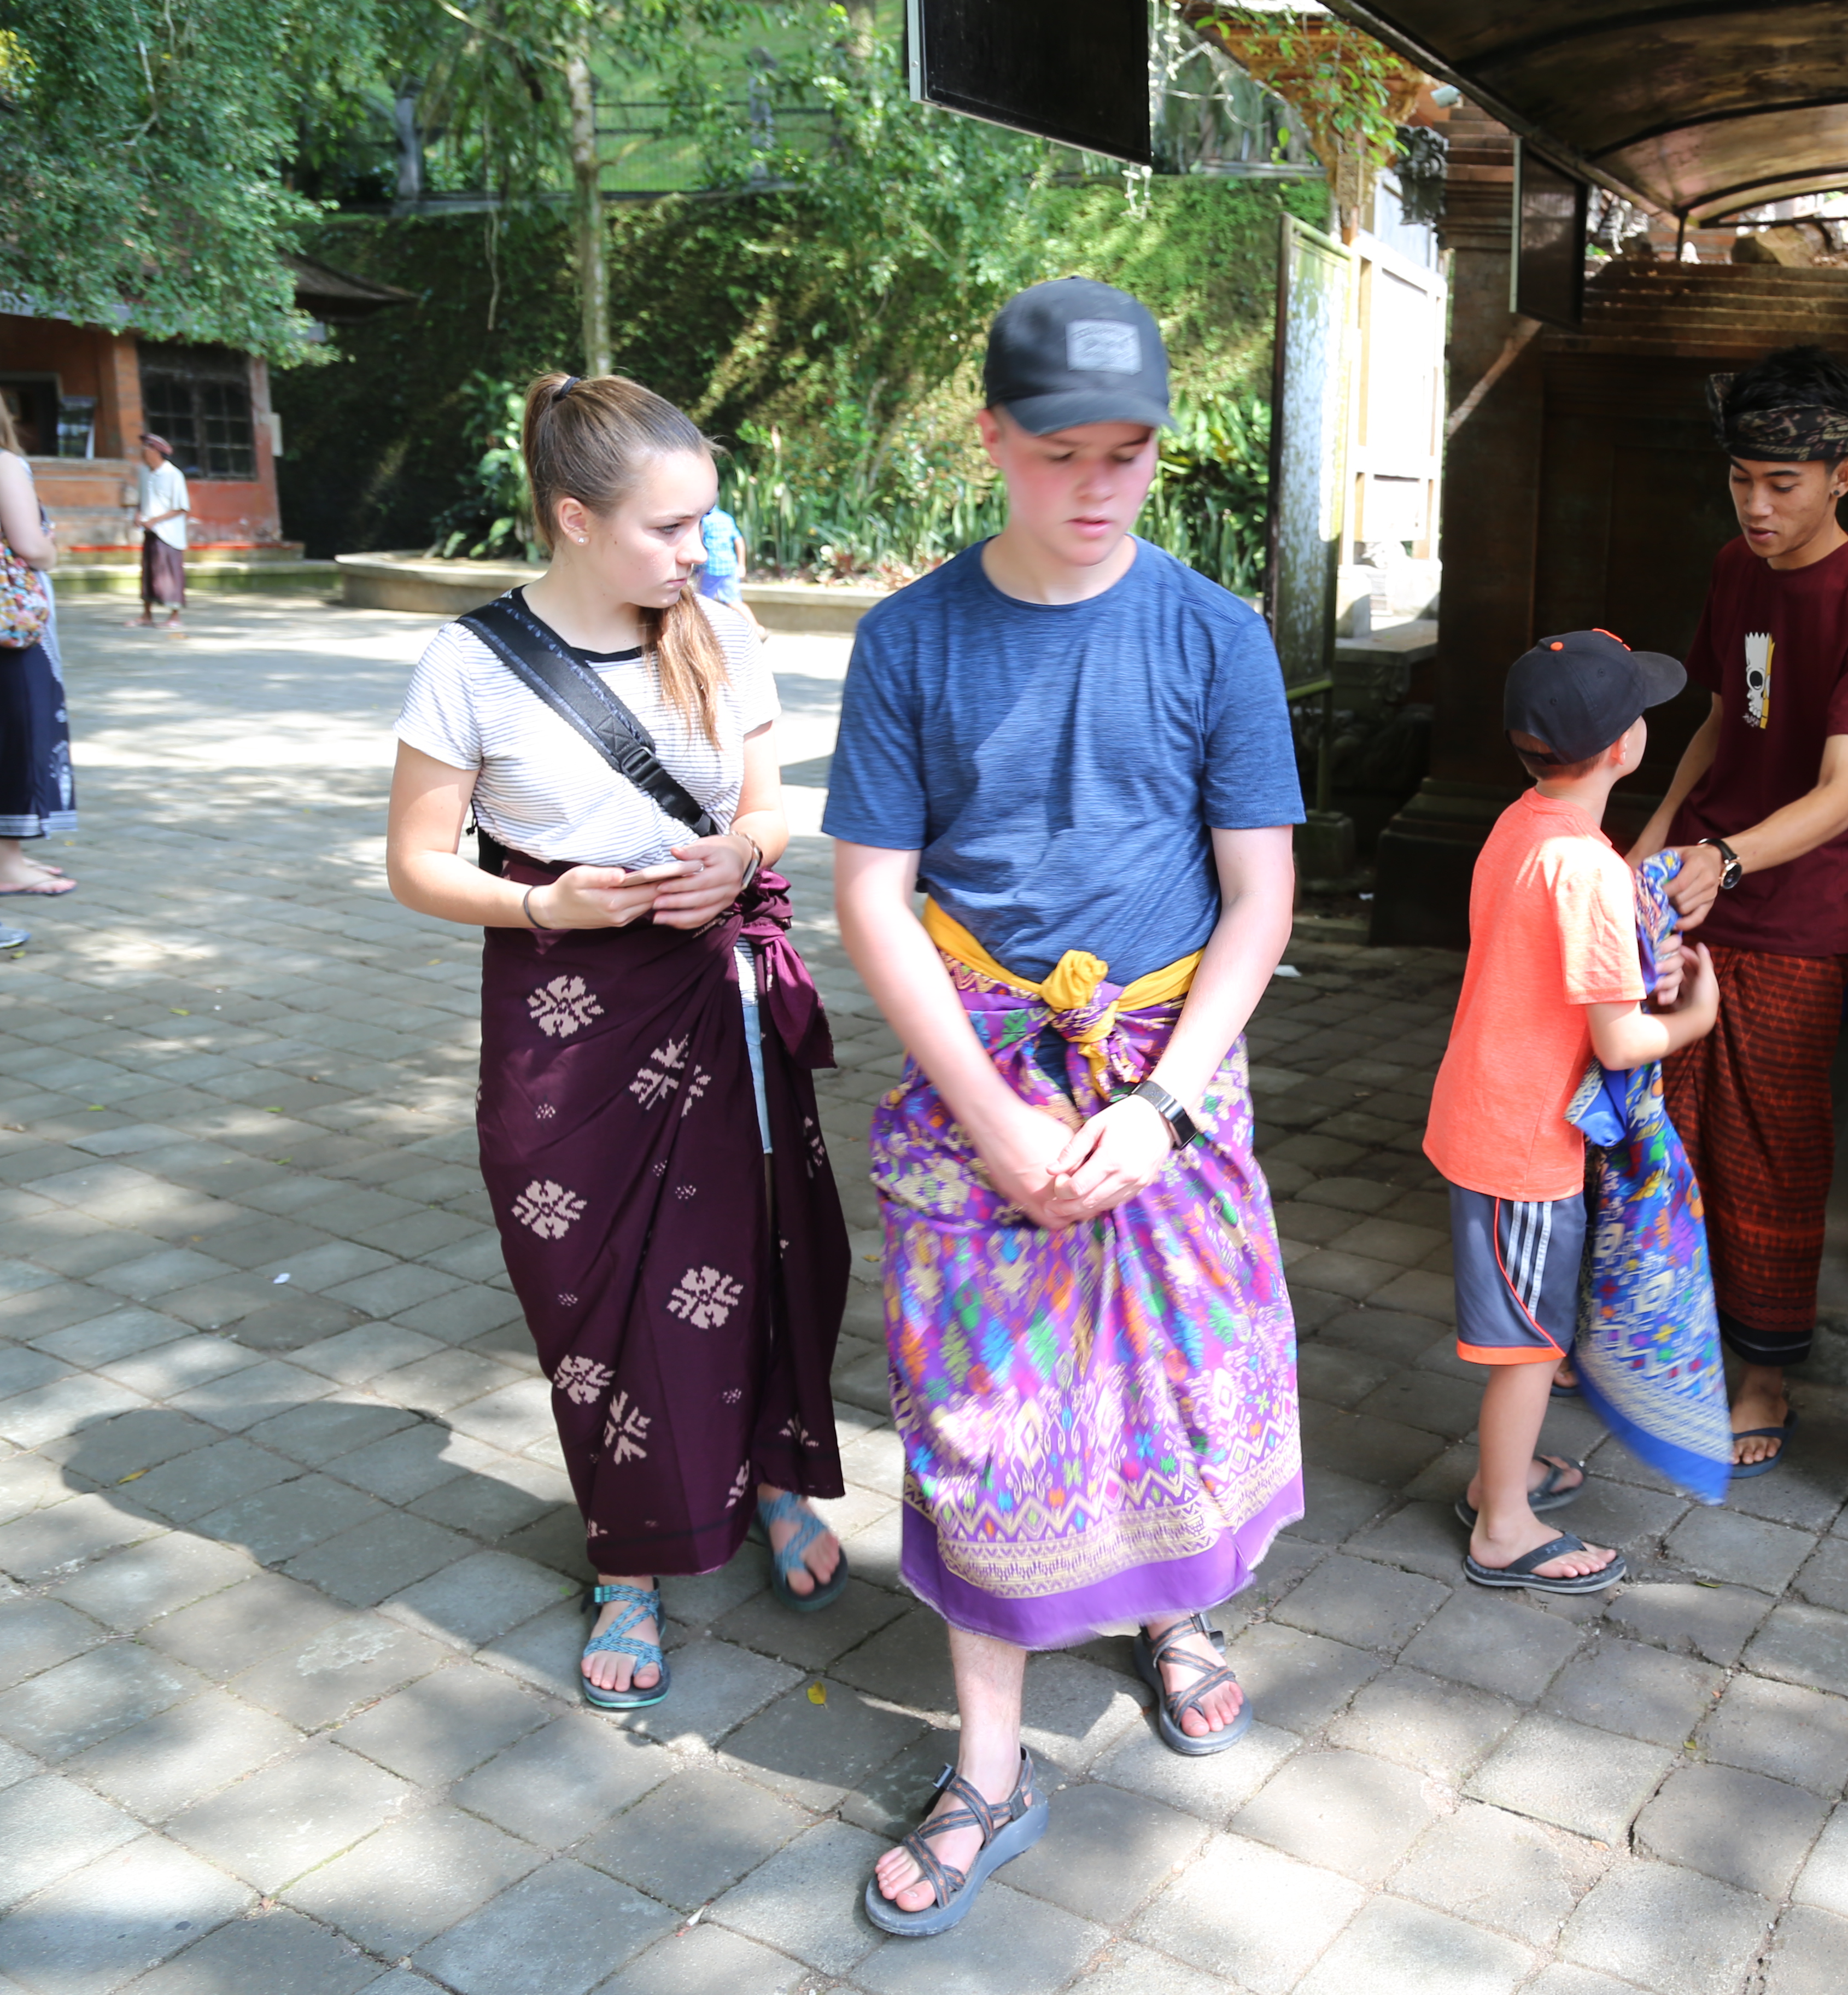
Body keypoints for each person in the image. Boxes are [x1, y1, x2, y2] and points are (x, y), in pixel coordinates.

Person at [826, 278, 1306, 1938]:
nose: (1097, 488)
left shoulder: (1213, 634)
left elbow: (1259, 898)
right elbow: (874, 899)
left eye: (1130, 454)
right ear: (992, 443)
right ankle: (987, 1763)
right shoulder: (910, 642)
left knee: (1183, 1385)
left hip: (1168, 1066)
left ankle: (1176, 1615)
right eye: (1059, 454)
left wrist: (1167, 1108)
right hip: (982, 1075)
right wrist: (997, 1122)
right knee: (981, 1423)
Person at [384, 372, 854, 1714]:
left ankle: (772, 1481)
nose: (694, 550)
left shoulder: (720, 628)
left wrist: (737, 857)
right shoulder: (470, 663)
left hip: (720, 993)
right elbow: (416, 864)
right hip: (563, 1020)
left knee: (762, 1254)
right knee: (592, 1297)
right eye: (666, 528)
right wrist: (544, 902)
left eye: (702, 519)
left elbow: (772, 810)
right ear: (573, 519)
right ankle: (630, 1557)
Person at [1628, 344, 1848, 1473]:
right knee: (1666, 1128)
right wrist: (1654, 842)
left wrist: (1726, 860)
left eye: (1783, 485)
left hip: (1795, 915)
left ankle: (1766, 1376)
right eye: (1742, 478)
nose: (1756, 505)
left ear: (1843, 478)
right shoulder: (1735, 570)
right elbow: (1723, 717)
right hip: (1707, 880)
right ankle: (1663, 1334)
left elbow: (1844, 791)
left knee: (1773, 1150)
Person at [1425, 628, 1721, 1595]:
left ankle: (1505, 1477)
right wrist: (1694, 1017)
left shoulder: (1523, 824)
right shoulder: (1589, 869)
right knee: (1529, 1342)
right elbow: (1616, 1041)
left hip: (1490, 1110)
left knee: (1527, 1329)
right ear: (1627, 746)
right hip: (1522, 1138)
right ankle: (1500, 1519)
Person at [0, 418, 76, 917]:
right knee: (19, 732)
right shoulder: (5, 465)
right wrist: (53, 546)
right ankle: (9, 865)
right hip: (10, 627)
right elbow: (31, 547)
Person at [130, 433, 189, 635]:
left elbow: (181, 507)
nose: (142, 453)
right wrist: (138, 515)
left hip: (169, 533)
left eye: (146, 449)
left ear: (155, 451)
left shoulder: (173, 475)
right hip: (150, 531)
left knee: (170, 574)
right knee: (148, 572)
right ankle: (146, 615)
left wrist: (155, 520)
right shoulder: (144, 473)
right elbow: (141, 500)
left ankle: (175, 616)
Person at [697, 499, 745, 607]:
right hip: (729, 566)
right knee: (734, 601)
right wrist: (741, 564)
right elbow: (739, 541)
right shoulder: (727, 518)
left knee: (703, 602)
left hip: (712, 567)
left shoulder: (704, 520)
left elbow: (697, 541)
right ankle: (755, 625)